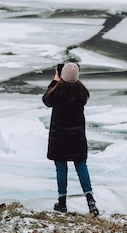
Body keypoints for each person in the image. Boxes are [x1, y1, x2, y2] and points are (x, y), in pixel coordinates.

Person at [42, 62, 99, 216]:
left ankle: (62, 203)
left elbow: (46, 100)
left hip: (59, 138)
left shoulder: (57, 92)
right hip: (77, 139)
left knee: (61, 168)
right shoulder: (82, 93)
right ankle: (90, 201)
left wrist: (55, 81)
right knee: (81, 167)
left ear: (61, 76)